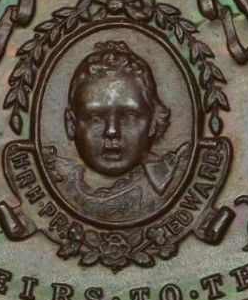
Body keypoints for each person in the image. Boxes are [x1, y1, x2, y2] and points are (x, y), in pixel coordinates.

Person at [42, 41, 190, 223]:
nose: (112, 131)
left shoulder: (176, 174)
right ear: (71, 124)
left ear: (153, 121)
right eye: (95, 118)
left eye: (128, 117)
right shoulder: (55, 174)